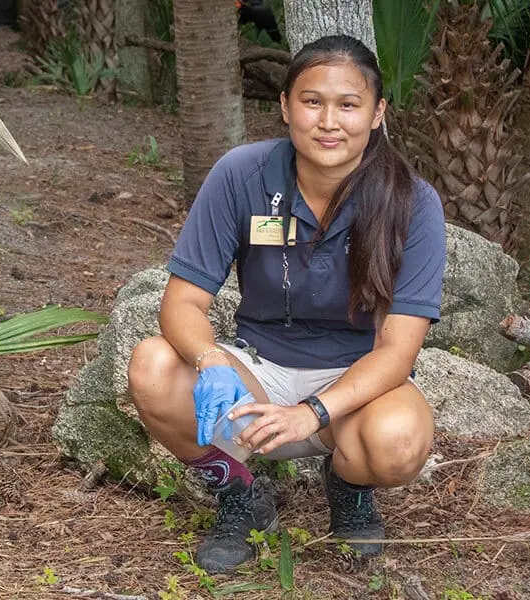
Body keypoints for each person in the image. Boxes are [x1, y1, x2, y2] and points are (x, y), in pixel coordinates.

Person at [127, 34, 446, 574]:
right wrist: (209, 362)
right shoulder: (240, 174)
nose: (329, 121)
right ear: (284, 105)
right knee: (153, 366)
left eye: (348, 105)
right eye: (312, 101)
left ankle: (348, 484)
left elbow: (398, 352)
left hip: (356, 381)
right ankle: (239, 494)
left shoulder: (412, 201)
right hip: (259, 369)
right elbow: (181, 301)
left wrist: (312, 413)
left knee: (399, 442)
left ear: (376, 113)